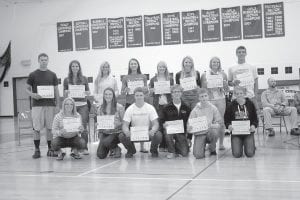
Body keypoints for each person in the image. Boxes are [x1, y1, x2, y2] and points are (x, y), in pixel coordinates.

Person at [26, 53, 60, 159]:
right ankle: (37, 150)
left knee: (50, 128)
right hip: (37, 105)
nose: (44, 61)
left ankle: (50, 149)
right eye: (42, 60)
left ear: (48, 61)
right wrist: (33, 95)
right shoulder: (32, 74)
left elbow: (56, 90)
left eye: (45, 60)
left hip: (50, 105)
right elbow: (26, 89)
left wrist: (58, 104)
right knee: (36, 128)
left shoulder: (53, 74)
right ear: (38, 61)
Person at [122, 87, 162, 158]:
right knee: (121, 136)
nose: (139, 97)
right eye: (137, 95)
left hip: (147, 133)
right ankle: (131, 150)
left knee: (158, 135)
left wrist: (153, 130)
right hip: (134, 134)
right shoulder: (130, 109)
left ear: (144, 96)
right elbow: (125, 125)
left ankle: (153, 150)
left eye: (141, 95)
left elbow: (156, 123)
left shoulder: (150, 108)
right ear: (134, 96)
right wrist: (127, 131)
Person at [121, 58, 148, 153]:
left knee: (141, 123)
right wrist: (125, 90)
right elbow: (122, 93)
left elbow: (146, 91)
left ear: (138, 65)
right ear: (129, 66)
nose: (133, 65)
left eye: (135, 63)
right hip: (129, 103)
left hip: (140, 102)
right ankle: (131, 147)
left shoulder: (143, 76)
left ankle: (142, 146)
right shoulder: (125, 77)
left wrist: (144, 88)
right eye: (131, 64)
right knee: (130, 125)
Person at [96, 88, 133, 159]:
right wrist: (97, 125)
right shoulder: (100, 108)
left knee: (107, 141)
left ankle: (116, 148)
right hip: (105, 132)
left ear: (113, 96)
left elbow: (125, 123)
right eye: (106, 94)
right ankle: (113, 148)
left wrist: (118, 124)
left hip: (116, 132)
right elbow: (99, 122)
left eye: (110, 94)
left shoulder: (119, 107)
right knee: (100, 155)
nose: (108, 96)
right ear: (103, 96)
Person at [201, 57, 228, 150]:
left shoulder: (223, 74)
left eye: (217, 62)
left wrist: (224, 85)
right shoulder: (205, 74)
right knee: (209, 121)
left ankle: (221, 143)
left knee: (221, 121)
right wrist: (207, 85)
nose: (215, 63)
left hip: (221, 99)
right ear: (210, 63)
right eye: (213, 62)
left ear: (219, 63)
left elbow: (227, 89)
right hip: (210, 100)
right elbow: (203, 89)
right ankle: (209, 143)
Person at [63, 60, 90, 155]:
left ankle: (84, 148)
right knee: (72, 127)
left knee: (84, 127)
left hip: (83, 105)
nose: (75, 68)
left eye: (76, 66)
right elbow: (64, 94)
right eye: (73, 66)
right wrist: (66, 93)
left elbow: (88, 92)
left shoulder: (84, 79)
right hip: (71, 106)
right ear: (70, 68)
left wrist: (86, 93)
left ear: (79, 67)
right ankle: (74, 148)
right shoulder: (66, 80)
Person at [187, 88, 222, 159]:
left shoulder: (213, 108)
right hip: (200, 133)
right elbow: (189, 124)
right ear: (199, 98)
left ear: (208, 96)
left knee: (214, 132)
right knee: (198, 155)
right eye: (202, 96)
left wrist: (211, 125)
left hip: (210, 131)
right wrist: (189, 128)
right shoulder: (195, 110)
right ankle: (201, 146)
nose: (204, 98)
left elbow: (219, 123)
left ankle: (212, 148)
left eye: (205, 96)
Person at [224, 86, 258, 158]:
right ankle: (240, 143)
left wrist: (253, 125)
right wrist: (228, 125)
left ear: (244, 94)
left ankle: (249, 143)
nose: (239, 95)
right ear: (234, 95)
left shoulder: (250, 104)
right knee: (237, 154)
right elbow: (226, 119)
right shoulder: (230, 105)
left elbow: (255, 118)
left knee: (250, 154)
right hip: (236, 133)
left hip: (248, 132)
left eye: (241, 93)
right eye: (237, 93)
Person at [149, 61, 174, 152]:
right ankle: (161, 145)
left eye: (163, 67)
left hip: (168, 103)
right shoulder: (153, 79)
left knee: (167, 124)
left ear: (165, 68)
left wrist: (171, 88)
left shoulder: (170, 79)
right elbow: (150, 92)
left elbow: (173, 90)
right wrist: (152, 90)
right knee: (160, 124)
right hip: (158, 104)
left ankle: (167, 144)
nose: (161, 68)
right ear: (157, 68)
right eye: (160, 67)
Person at [161, 85, 191, 158]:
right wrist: (163, 124)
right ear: (171, 94)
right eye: (174, 92)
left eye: (178, 91)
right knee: (167, 133)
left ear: (181, 93)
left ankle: (178, 146)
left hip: (181, 132)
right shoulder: (166, 107)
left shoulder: (186, 107)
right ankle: (172, 151)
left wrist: (189, 137)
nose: (176, 93)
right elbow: (161, 120)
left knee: (184, 154)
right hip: (170, 131)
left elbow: (190, 122)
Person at [228, 46, 259, 113]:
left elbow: (256, 81)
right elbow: (229, 82)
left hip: (250, 96)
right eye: (239, 52)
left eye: (243, 52)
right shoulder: (231, 68)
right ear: (236, 54)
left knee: (251, 116)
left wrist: (255, 94)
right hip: (237, 96)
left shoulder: (252, 67)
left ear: (246, 53)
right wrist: (233, 83)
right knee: (237, 117)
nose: (241, 53)